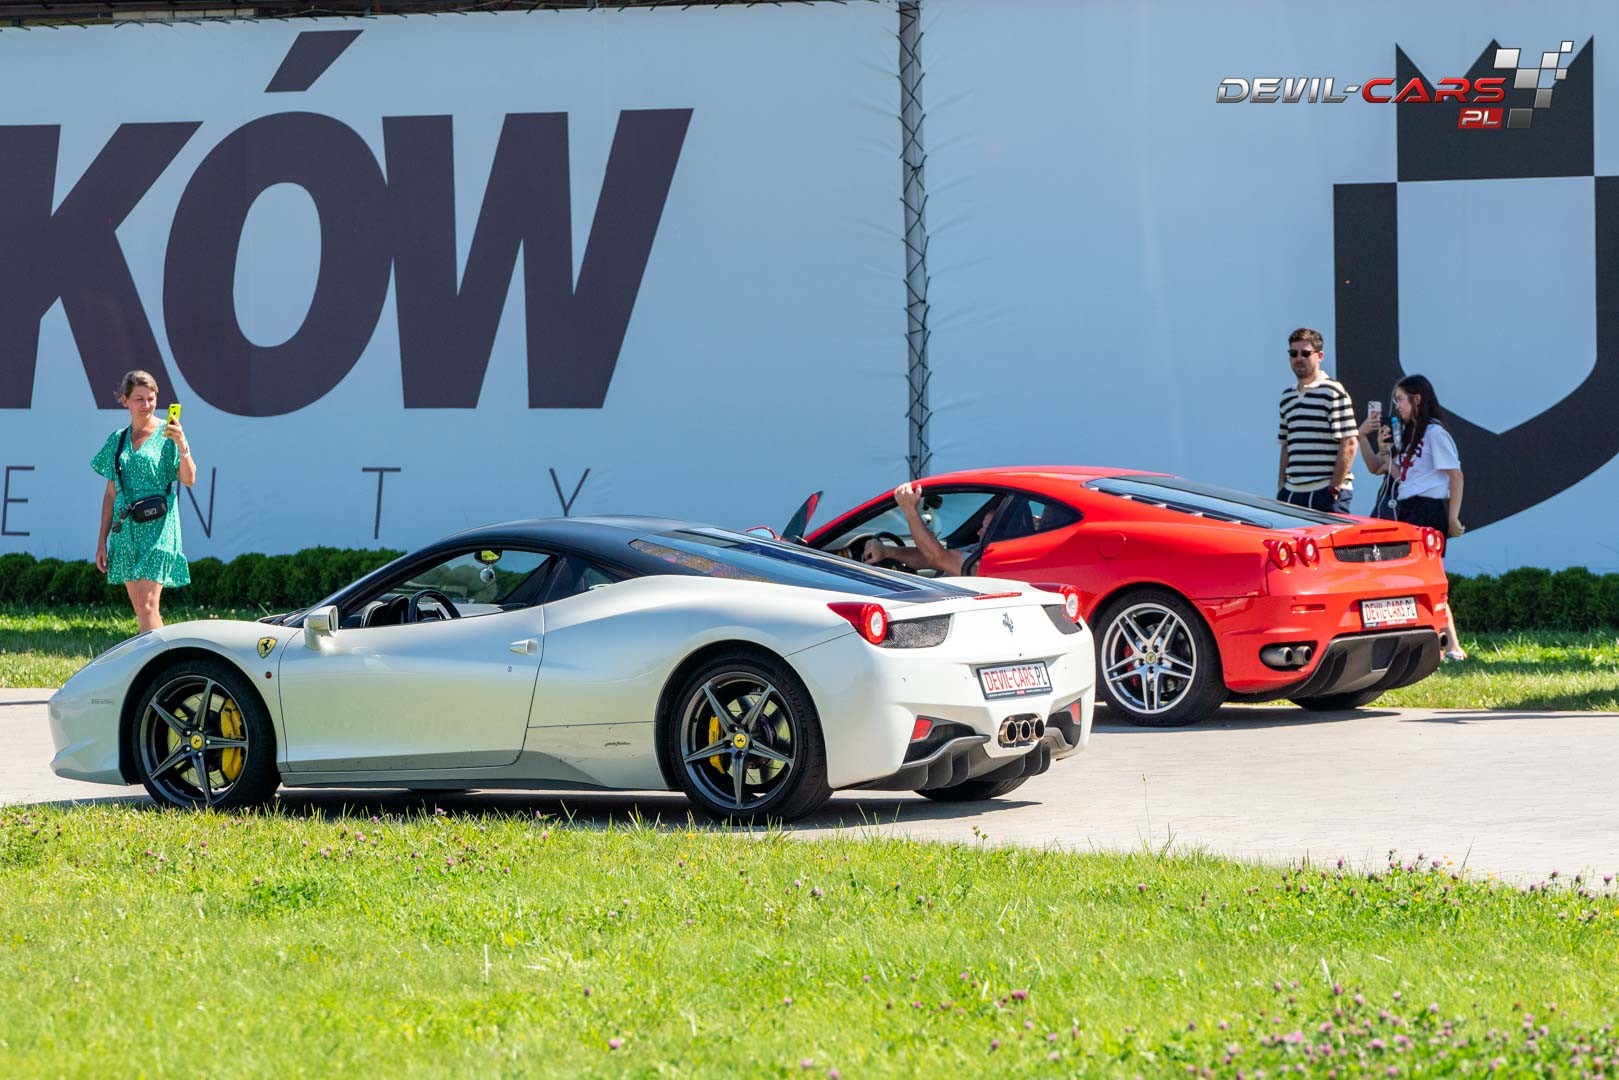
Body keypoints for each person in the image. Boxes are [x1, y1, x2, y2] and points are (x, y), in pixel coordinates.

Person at [1355, 374, 1467, 661]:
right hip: (1407, 508)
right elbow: (1384, 471)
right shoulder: (1410, 435)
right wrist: (1367, 440)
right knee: (1406, 579)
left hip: (1427, 509)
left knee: (1430, 577)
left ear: (1418, 399)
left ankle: (1452, 646)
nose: (1397, 406)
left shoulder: (1434, 433)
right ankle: (1426, 644)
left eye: (1401, 399)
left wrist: (1453, 518)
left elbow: (1455, 475)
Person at [92, 370, 197, 632]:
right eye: (139, 399)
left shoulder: (168, 434)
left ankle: (163, 657)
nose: (146, 405)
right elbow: (110, 494)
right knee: (141, 607)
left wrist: (182, 445)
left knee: (148, 604)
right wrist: (102, 541)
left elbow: (189, 479)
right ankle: (161, 655)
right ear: (125, 400)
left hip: (158, 527)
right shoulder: (117, 440)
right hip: (126, 529)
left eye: (151, 398)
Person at [1277, 328, 1356, 513]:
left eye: (1305, 353)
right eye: (1293, 353)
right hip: (1293, 492)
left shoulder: (1333, 391)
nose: (1299, 358)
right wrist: (1281, 485)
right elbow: (1286, 444)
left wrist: (1335, 487)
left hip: (1326, 490)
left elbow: (1350, 442)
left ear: (1319, 356)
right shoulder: (1287, 397)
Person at [860, 481, 1002, 576]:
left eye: (986, 529)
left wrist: (909, 510)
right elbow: (928, 558)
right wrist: (887, 552)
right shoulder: (978, 549)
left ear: (1001, 533)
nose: (978, 532)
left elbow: (937, 557)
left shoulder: (992, 562)